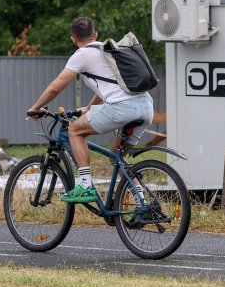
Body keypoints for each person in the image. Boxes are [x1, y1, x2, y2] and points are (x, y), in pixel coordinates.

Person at [28, 17, 154, 203]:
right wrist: (88, 108)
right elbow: (107, 86)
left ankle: (86, 186)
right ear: (95, 34)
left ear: (73, 39)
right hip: (145, 106)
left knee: (75, 130)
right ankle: (143, 204)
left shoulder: (82, 55)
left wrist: (36, 107)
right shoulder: (109, 50)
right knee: (116, 159)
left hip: (121, 108)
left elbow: (56, 86)